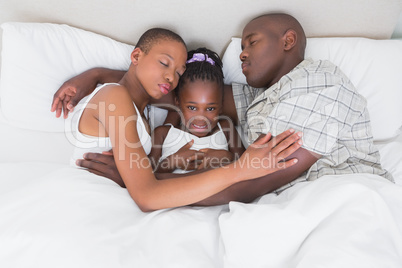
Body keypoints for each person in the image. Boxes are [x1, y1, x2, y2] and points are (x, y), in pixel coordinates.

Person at [53, 13, 391, 206]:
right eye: (241, 46)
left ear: (288, 41)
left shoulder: (320, 83)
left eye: (252, 42)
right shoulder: (259, 97)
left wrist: (142, 178)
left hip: (341, 195)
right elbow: (181, 97)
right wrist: (96, 75)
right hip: (291, 204)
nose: (242, 54)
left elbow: (256, 180)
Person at [61, 26, 303, 212]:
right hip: (92, 199)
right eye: (164, 63)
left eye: (178, 72)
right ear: (136, 56)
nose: (170, 78)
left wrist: (97, 73)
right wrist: (241, 169)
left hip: (118, 201)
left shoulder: (142, 107)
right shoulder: (114, 96)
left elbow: (185, 102)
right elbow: (147, 196)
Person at [149, 47, 244, 174]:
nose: (201, 118)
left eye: (210, 108)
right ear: (177, 101)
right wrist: (171, 162)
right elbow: (147, 177)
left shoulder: (226, 129)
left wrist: (227, 157)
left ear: (221, 106)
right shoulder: (162, 134)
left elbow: (247, 165)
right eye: (192, 108)